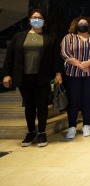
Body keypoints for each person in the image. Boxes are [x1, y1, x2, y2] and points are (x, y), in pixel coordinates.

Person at [2, 9, 62, 147]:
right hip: (24, 77)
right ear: (29, 20)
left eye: (39, 17)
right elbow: (10, 57)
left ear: (44, 21)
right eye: (34, 17)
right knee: (29, 106)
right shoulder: (19, 36)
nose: (36, 19)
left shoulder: (50, 37)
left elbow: (55, 58)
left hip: (42, 77)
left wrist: (58, 73)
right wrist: (6, 74)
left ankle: (41, 132)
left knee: (42, 106)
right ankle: (30, 132)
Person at [61, 16, 90, 139]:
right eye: (80, 23)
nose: (82, 25)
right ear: (75, 25)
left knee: (87, 100)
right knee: (73, 101)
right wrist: (80, 65)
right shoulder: (68, 38)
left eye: (85, 23)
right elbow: (65, 54)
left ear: (89, 25)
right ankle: (72, 127)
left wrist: (87, 63)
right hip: (73, 74)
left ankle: (86, 125)